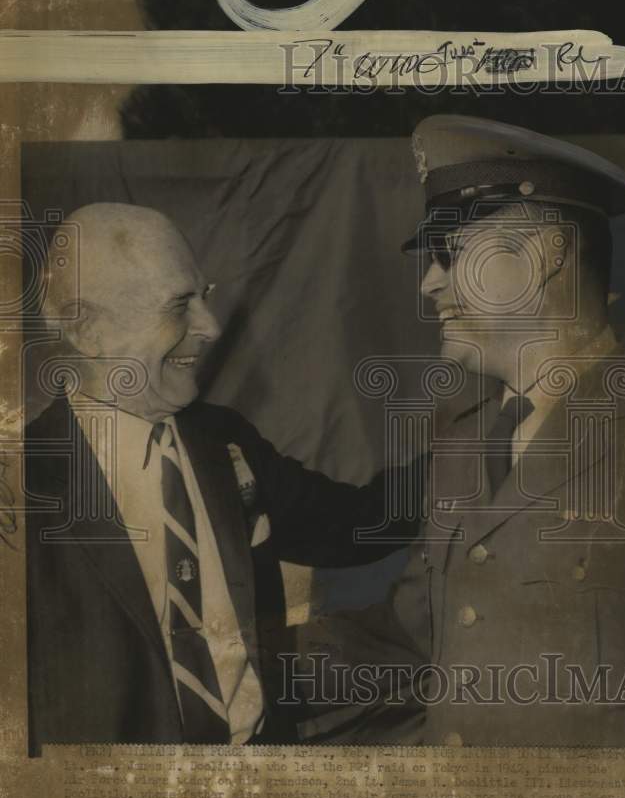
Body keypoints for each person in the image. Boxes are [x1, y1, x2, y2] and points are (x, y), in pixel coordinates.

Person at [297, 115, 625, 748]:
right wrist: (229, 653)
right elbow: (419, 638)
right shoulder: (464, 443)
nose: (429, 283)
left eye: (449, 252)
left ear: (545, 257)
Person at [24, 203, 420, 755]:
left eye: (203, 295)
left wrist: (483, 450)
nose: (210, 326)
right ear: (89, 329)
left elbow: (359, 524)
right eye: (180, 305)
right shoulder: (23, 487)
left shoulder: (223, 439)